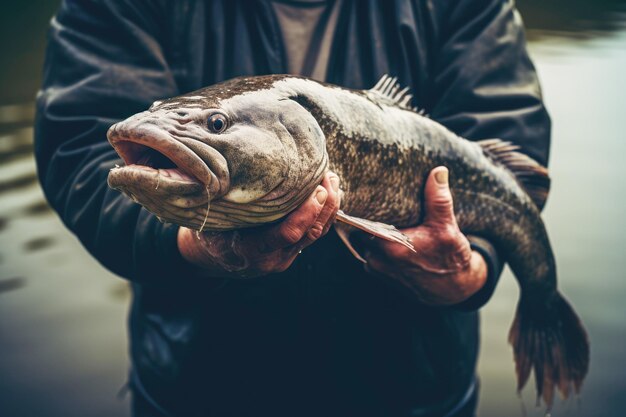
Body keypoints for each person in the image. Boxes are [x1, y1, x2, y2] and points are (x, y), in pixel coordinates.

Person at [35, 0, 551, 416]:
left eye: (214, 125)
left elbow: (508, 147)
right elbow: (81, 151)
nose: (205, 132)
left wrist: (468, 271)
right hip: (202, 391)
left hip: (410, 391)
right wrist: (194, 244)